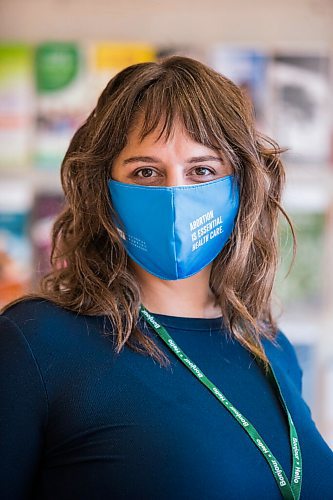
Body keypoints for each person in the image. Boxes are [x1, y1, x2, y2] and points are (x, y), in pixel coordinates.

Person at [0, 56, 332, 500]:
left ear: (242, 186)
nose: (175, 194)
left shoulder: (269, 344)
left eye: (203, 171)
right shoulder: (36, 345)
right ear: (103, 190)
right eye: (145, 172)